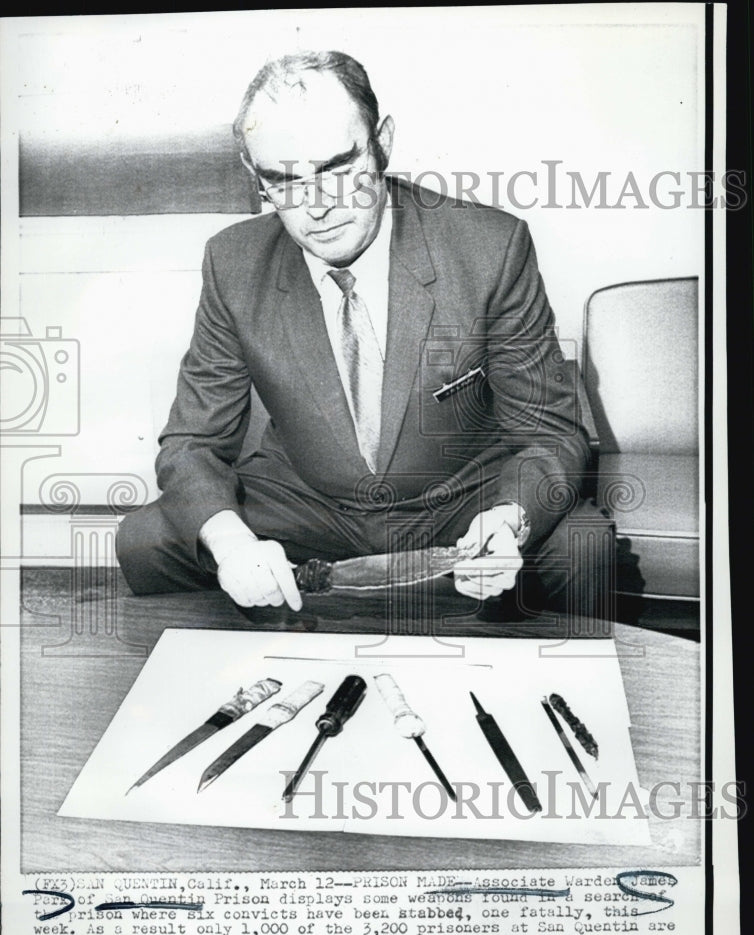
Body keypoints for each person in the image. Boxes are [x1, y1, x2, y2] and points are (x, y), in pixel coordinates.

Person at [116, 50, 610, 622]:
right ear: (256, 178)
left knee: (583, 546)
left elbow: (549, 432)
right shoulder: (232, 261)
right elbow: (191, 444)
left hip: (456, 498)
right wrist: (233, 548)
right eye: (283, 180)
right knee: (145, 540)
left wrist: (509, 519)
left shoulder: (490, 248)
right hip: (310, 500)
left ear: (383, 144)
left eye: (338, 169)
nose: (318, 206)